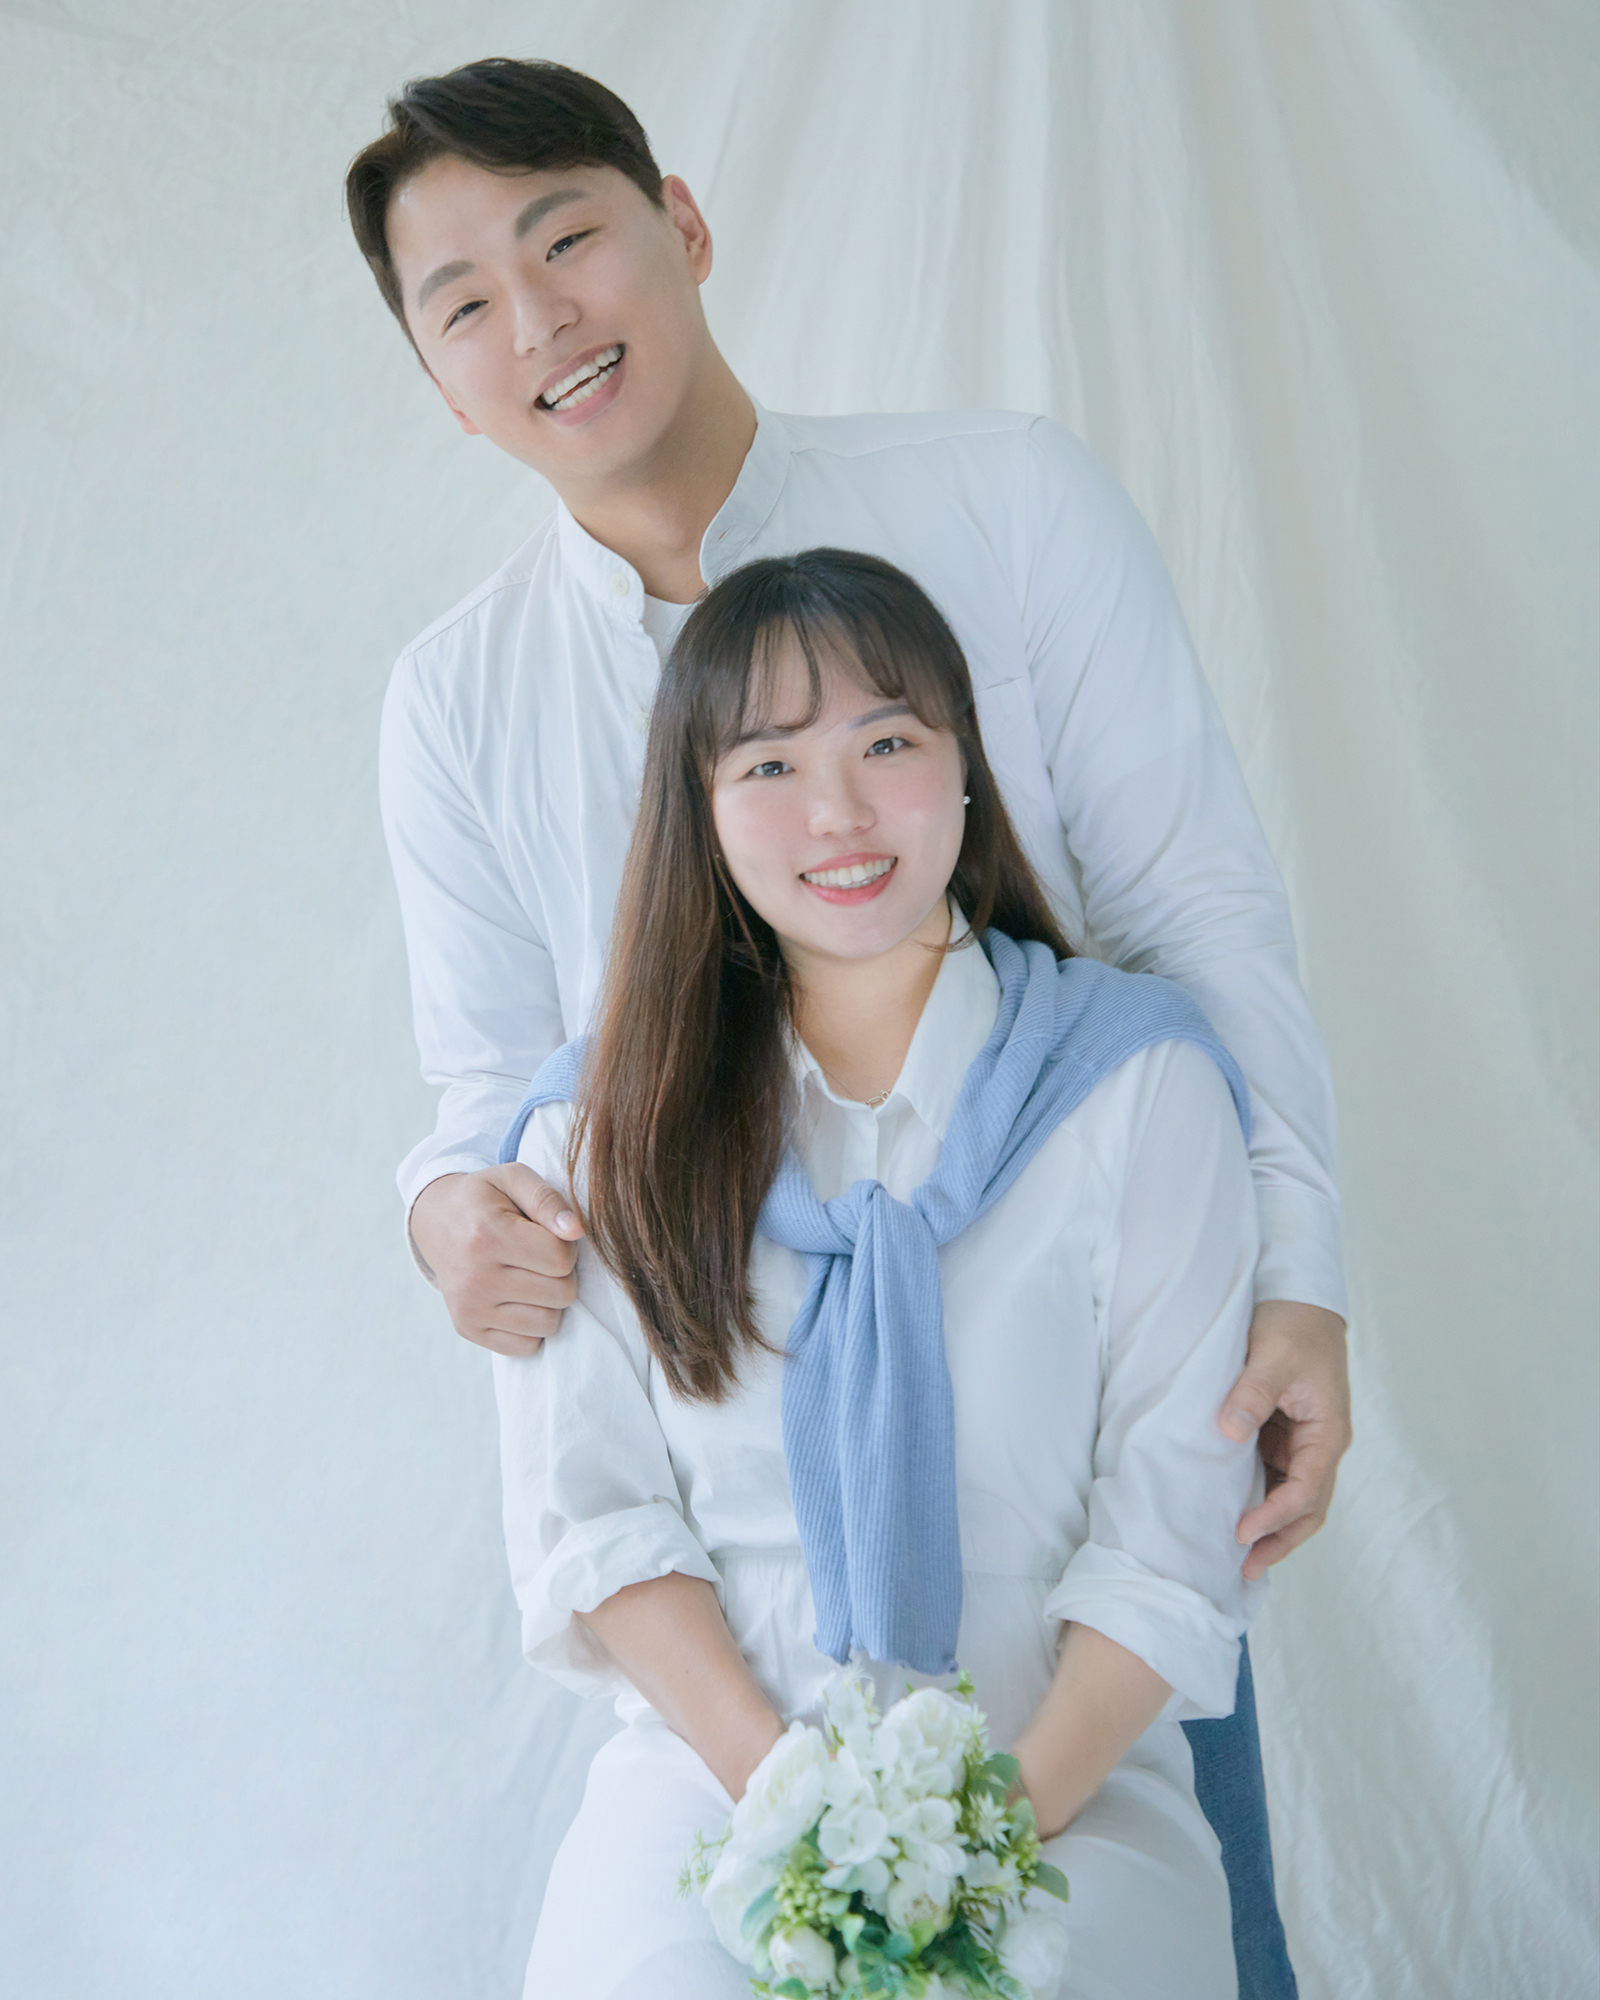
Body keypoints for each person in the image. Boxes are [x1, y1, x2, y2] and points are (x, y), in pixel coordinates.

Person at [345, 56, 1351, 1994]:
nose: (537, 320)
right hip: (737, 1527)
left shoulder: (1004, 498)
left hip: (1065, 1404)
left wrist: (1294, 1269)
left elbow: (1190, 911)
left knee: (1151, 1889)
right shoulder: (457, 699)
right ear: (436, 377)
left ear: (683, 224)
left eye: (569, 240)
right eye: (463, 301)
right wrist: (444, 1209)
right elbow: (494, 1092)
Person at [496, 547, 1264, 1999]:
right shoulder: (599, 1130)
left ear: (966, 765)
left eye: (888, 744)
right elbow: (598, 1523)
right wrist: (802, 1818)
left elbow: (1174, 1525)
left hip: (1067, 1784)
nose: (839, 812)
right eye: (770, 765)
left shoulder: (1137, 1083)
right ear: (699, 812)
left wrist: (983, 1830)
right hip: (712, 1778)